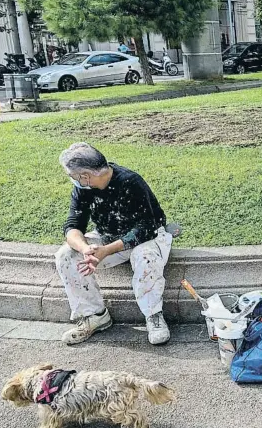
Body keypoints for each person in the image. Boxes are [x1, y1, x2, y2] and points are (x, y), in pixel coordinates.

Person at [55, 143, 173, 346]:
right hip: (107, 236)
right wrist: (86, 249)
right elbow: (73, 225)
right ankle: (95, 316)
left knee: (145, 257)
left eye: (73, 176)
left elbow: (146, 227)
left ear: (85, 176)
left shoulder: (130, 181)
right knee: (66, 255)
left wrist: (106, 251)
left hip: (149, 237)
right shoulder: (83, 189)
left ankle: (153, 315)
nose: (73, 181)